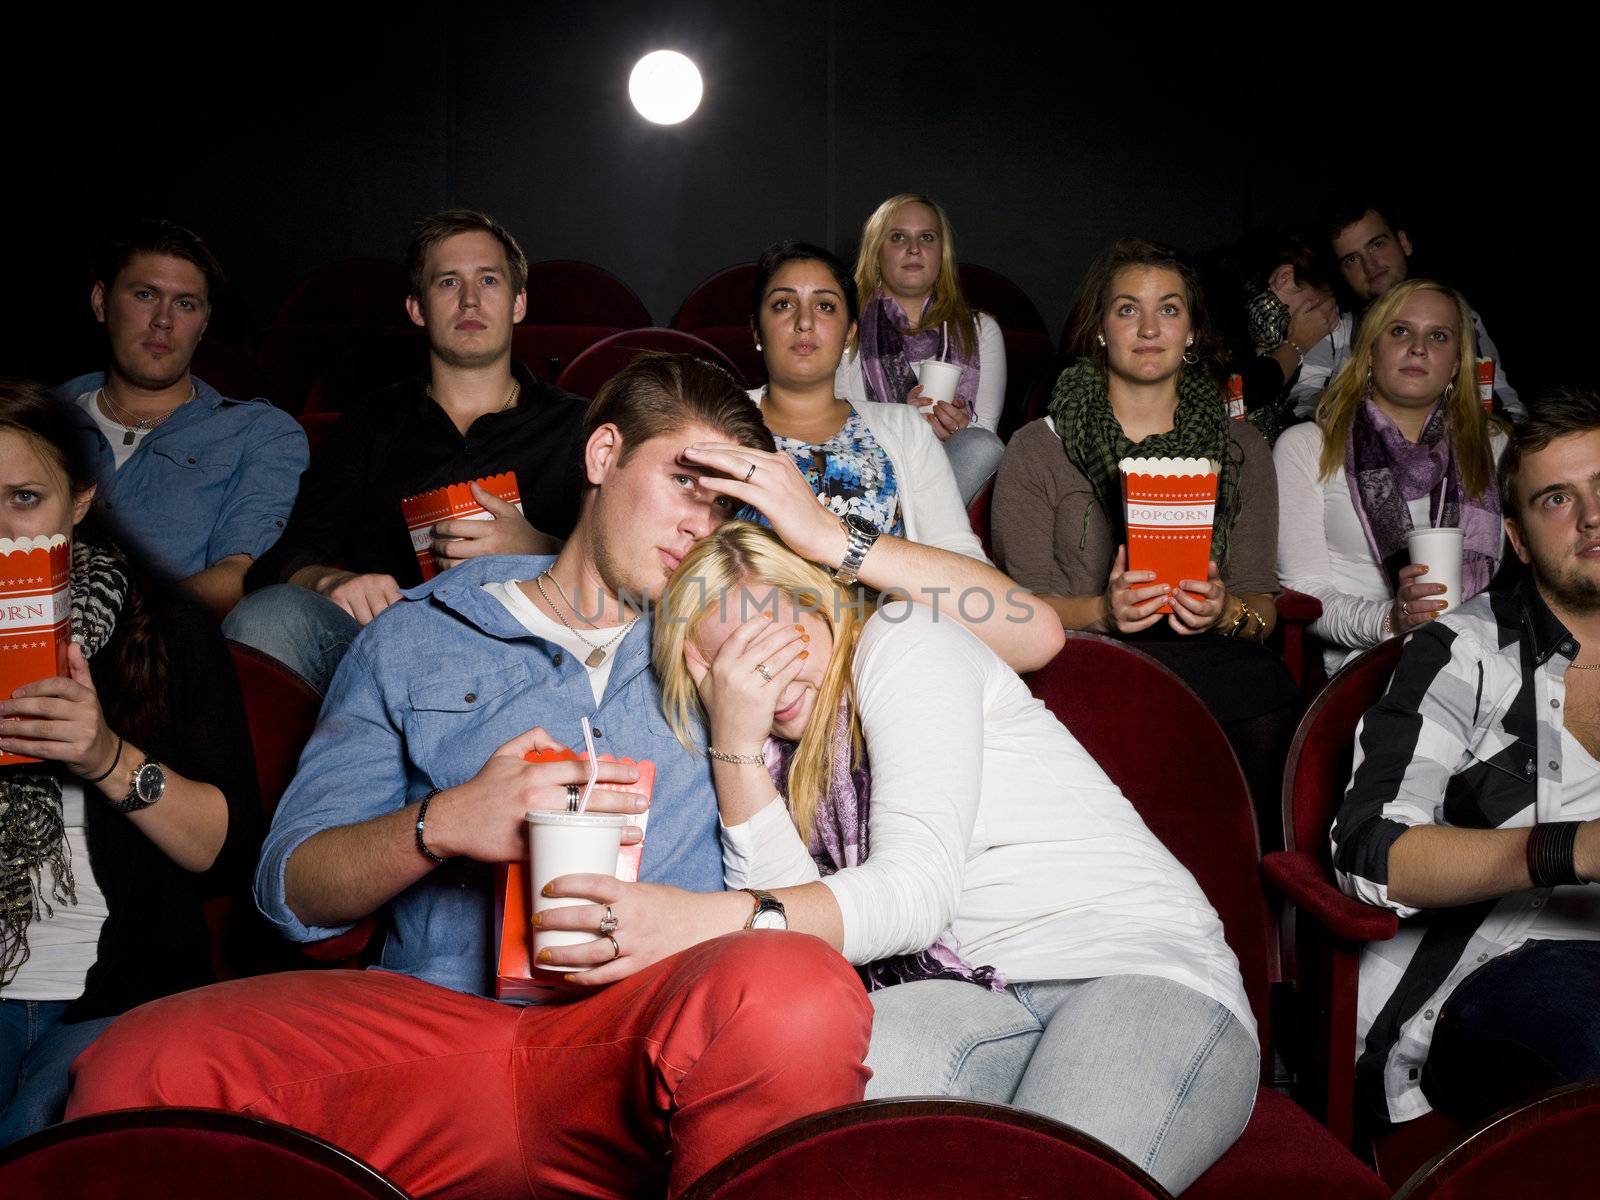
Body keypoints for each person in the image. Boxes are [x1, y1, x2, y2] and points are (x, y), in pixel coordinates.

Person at [66, 353, 1061, 1199]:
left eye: (724, 502)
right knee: (129, 1065)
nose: (697, 523)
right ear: (601, 456)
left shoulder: (728, 629)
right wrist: (445, 822)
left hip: (644, 1037)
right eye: (683, 480)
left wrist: (819, 538)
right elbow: (288, 892)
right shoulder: (423, 634)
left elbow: (1025, 628)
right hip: (439, 1031)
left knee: (795, 986)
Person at [649, 520, 1257, 1194]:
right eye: (736, 661)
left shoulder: (905, 640)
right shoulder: (778, 760)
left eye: (778, 636)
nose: (767, 673)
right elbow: (803, 950)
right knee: (794, 1114)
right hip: (972, 995)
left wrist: (704, 920)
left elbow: (913, 895)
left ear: (822, 606)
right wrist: (735, 743)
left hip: (1130, 968)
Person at [1331, 388, 1600, 1127]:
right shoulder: (1462, 654)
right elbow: (1371, 854)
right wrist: (1573, 848)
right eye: (1556, 499)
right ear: (1517, 539)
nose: (1591, 516)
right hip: (1478, 992)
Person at [0, 381, 259, 1144]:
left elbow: (223, 850)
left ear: (78, 502)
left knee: (48, 1140)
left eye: (24, 500)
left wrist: (104, 754)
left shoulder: (166, 624)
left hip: (115, 996)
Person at [991, 238, 1298, 822]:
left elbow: (1262, 598)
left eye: (1170, 309)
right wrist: (1102, 612)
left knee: (1266, 687)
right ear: (1102, 329)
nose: (1149, 326)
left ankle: (1254, 888)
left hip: (1207, 656)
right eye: (1128, 308)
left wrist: (1226, 611)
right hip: (1082, 655)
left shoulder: (1242, 447)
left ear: (1191, 333)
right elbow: (1019, 609)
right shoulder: (1038, 447)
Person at [224, 209, 587, 693]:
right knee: (267, 616)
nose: (471, 299)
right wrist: (326, 582)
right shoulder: (369, 422)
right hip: (393, 656)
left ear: (519, 303)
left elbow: (630, 575)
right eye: (448, 283)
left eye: (490, 280)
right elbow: (288, 554)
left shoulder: (580, 425)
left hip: (537, 656)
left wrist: (539, 551)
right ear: (417, 308)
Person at [54, 220, 308, 618]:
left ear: (204, 322)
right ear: (101, 302)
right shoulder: (41, 417)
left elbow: (240, 574)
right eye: (145, 295)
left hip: (161, 650)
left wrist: (121, 623)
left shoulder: (259, 432)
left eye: (186, 304)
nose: (163, 320)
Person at [1274, 279, 1506, 675]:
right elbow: (1306, 597)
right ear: (1368, 352)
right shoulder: (1307, 447)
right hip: (1368, 670)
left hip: (1482, 664)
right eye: (1400, 331)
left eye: (1438, 336)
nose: (1418, 348)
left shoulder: (1495, 446)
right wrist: (1391, 620)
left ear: (1455, 364)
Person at [746, 241, 988, 561]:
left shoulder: (905, 428)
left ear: (849, 334)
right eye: (783, 304)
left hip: (882, 610)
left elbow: (961, 558)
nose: (804, 322)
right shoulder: (714, 421)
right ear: (756, 332)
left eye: (825, 306)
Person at [838, 195, 1007, 504]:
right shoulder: (845, 329)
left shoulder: (981, 331)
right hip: (872, 474)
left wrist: (957, 427)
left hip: (952, 477)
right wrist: (903, 419)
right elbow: (839, 429)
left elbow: (985, 440)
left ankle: (913, 538)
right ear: (876, 253)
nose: (913, 249)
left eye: (926, 237)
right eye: (898, 237)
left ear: (941, 254)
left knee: (981, 444)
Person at [1288, 202, 1522, 420]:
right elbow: (1300, 405)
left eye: (1377, 244)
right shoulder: (1334, 331)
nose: (1370, 265)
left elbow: (1506, 408)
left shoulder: (1461, 319)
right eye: (1352, 259)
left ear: (1404, 242)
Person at [1216, 228, 1340, 444]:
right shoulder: (1220, 319)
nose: (1321, 323)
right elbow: (1235, 396)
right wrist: (1296, 345)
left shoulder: (1261, 330)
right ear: (1285, 278)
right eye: (1317, 308)